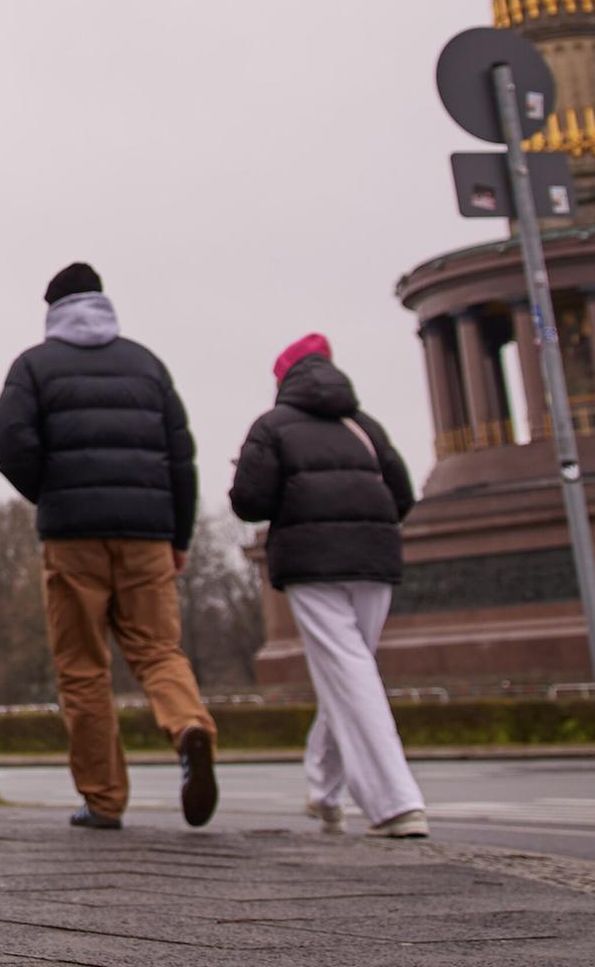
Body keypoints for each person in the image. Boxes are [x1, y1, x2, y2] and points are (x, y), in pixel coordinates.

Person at [0, 263, 217, 832]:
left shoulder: (34, 367)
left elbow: (8, 439)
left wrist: (51, 492)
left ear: (53, 311)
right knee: (159, 650)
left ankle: (104, 798)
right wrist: (179, 537)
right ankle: (189, 725)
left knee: (83, 668)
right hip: (148, 537)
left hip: (73, 539)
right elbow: (181, 457)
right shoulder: (147, 366)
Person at [229, 332, 428, 839]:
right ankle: (324, 791)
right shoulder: (366, 428)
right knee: (350, 670)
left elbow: (249, 502)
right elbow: (401, 496)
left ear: (284, 380)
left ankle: (396, 804)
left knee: (349, 671)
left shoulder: (271, 427)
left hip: (312, 567)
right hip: (374, 562)